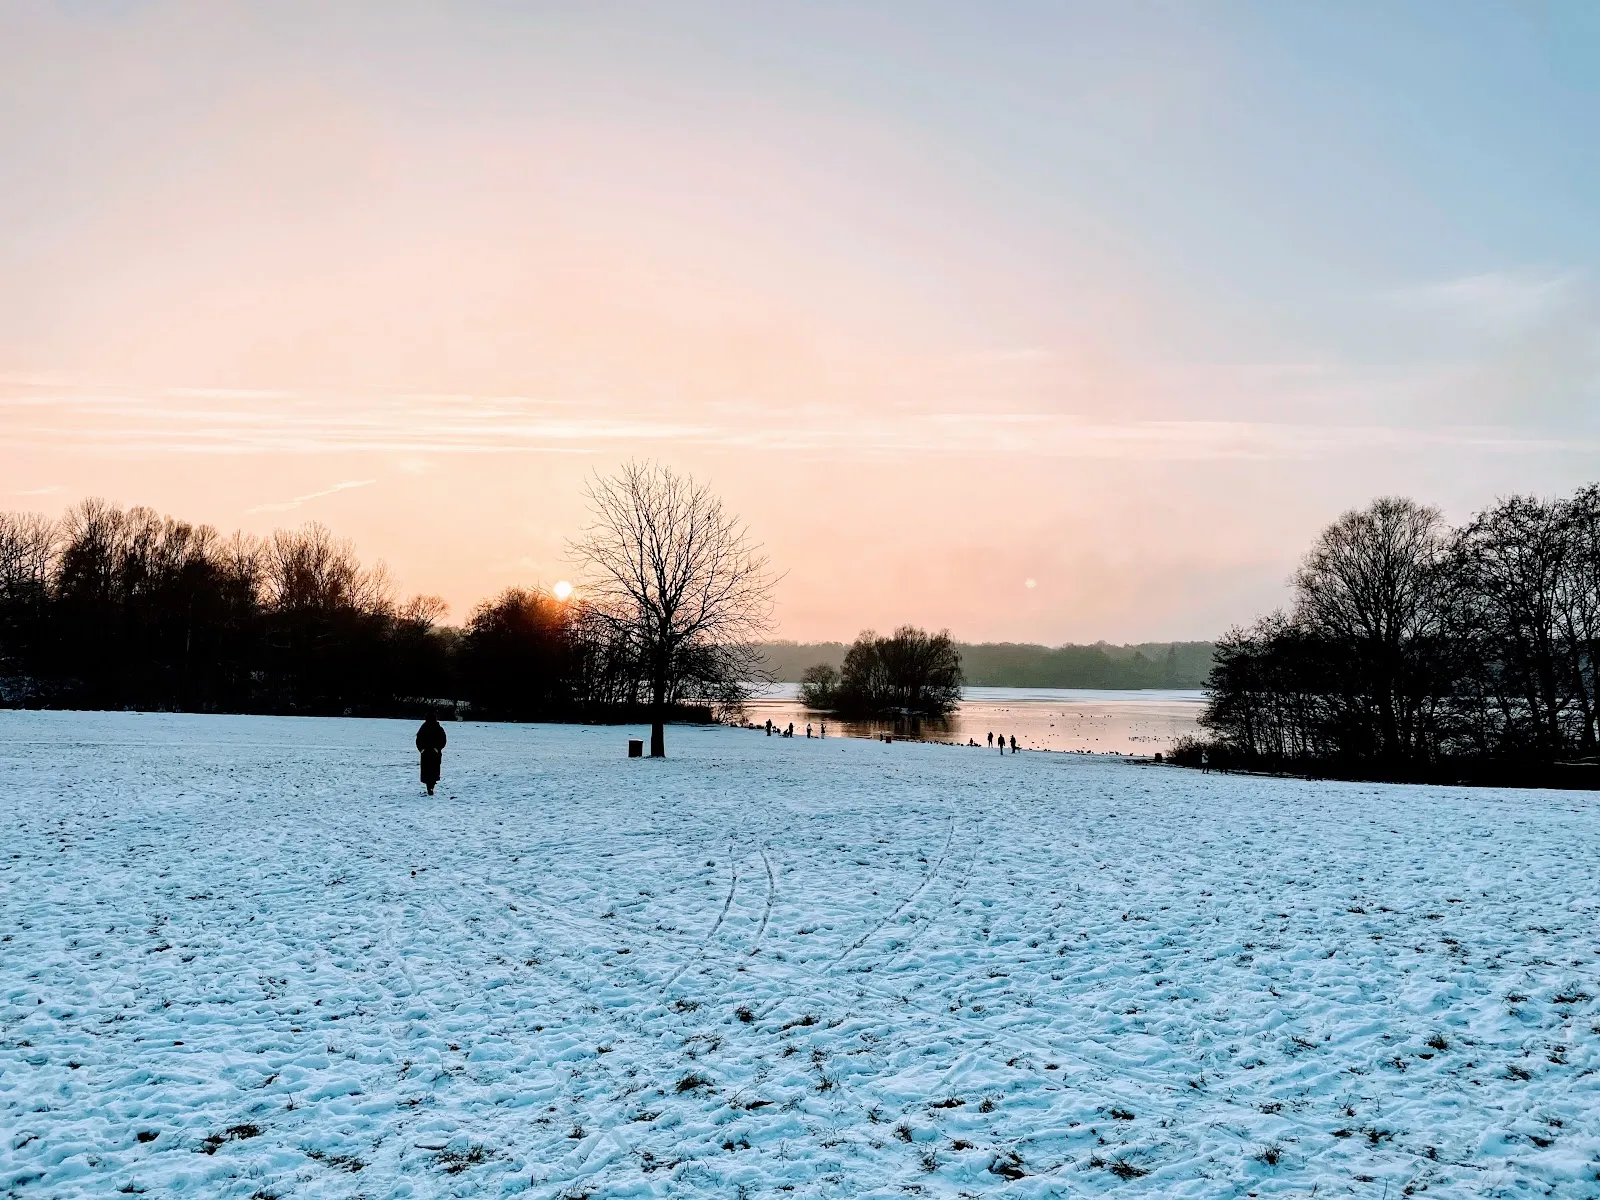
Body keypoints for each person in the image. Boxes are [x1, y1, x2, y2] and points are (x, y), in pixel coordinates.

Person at [416, 715, 447, 795]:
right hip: (427, 753)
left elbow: (443, 740)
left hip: (433, 753)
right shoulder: (424, 728)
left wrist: (437, 749)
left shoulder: (437, 729)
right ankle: (430, 787)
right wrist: (422, 749)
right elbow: (418, 740)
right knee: (430, 771)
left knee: (432, 771)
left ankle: (430, 787)